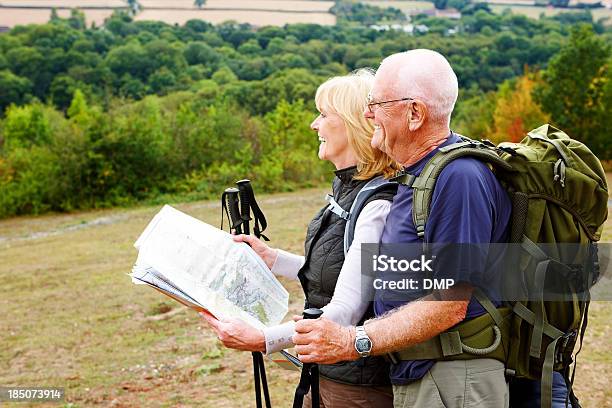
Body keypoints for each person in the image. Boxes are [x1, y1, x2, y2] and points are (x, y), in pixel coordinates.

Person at [292, 49, 513, 408]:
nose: (367, 114)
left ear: (414, 113)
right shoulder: (419, 176)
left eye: (377, 103)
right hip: (424, 374)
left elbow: (449, 303)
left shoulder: (459, 178)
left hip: (452, 379)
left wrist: (354, 341)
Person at [201, 69, 399, 407]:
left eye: (323, 114)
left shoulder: (376, 205)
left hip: (356, 390)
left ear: (352, 124)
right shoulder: (351, 192)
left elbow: (346, 312)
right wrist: (273, 259)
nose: (314, 124)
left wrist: (263, 339)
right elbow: (340, 270)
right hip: (329, 375)